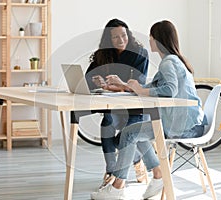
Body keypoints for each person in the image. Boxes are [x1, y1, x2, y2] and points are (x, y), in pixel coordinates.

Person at [91, 20, 208, 200]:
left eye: (152, 37)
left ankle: (116, 188)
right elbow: (152, 87)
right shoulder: (173, 61)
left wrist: (139, 89)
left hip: (183, 126)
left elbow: (169, 90)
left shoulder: (168, 63)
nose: (150, 40)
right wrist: (127, 86)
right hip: (189, 122)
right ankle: (158, 173)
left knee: (129, 134)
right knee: (134, 132)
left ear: (158, 40)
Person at [85, 18, 150, 189]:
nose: (121, 40)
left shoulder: (139, 53)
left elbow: (139, 83)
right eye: (115, 37)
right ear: (109, 39)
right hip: (114, 108)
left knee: (126, 137)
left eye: (124, 35)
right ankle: (111, 171)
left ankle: (136, 161)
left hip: (135, 109)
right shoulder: (104, 54)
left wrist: (122, 84)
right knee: (107, 122)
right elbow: (87, 77)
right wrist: (96, 81)